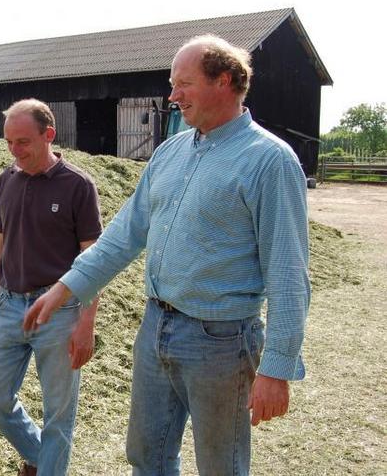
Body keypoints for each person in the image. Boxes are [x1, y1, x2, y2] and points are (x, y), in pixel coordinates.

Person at [23, 35, 310, 476]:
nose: (172, 96)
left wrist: (278, 367)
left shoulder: (269, 161)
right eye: (172, 84)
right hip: (156, 326)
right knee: (147, 455)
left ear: (226, 82)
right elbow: (123, 235)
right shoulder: (170, 152)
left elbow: (288, 271)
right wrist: (66, 288)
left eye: (184, 84)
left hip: (222, 340)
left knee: (221, 466)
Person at [0, 98, 103, 475]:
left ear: (48, 135)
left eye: (23, 142)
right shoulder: (6, 180)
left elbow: (93, 260)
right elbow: (2, 244)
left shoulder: (78, 186)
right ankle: (39, 456)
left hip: (60, 311)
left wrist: (86, 323)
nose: (15, 152)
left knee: (58, 415)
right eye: (9, 143)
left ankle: (47, 467)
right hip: (11, 305)